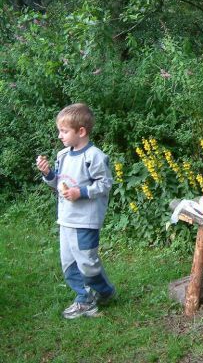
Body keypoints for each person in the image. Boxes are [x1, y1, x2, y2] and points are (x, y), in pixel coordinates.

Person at [36, 103, 116, 319]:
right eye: (59, 131)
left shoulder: (94, 156)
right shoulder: (63, 155)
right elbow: (60, 185)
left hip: (85, 221)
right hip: (66, 220)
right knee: (69, 264)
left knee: (88, 264)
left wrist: (80, 192)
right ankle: (85, 299)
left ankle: (103, 291)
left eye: (64, 131)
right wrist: (48, 174)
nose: (60, 135)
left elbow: (105, 184)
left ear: (81, 131)